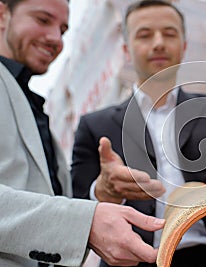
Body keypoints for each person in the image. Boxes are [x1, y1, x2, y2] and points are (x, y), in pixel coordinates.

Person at [71, 1, 206, 267]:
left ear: (184, 46)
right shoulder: (94, 127)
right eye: (145, 35)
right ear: (126, 49)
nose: (159, 43)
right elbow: (75, 213)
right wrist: (103, 190)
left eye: (170, 33)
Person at [0, 0, 165, 266]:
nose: (55, 38)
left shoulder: (33, 105)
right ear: (2, 13)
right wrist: (86, 222)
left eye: (63, 29)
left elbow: (49, 202)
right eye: (42, 20)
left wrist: (103, 194)